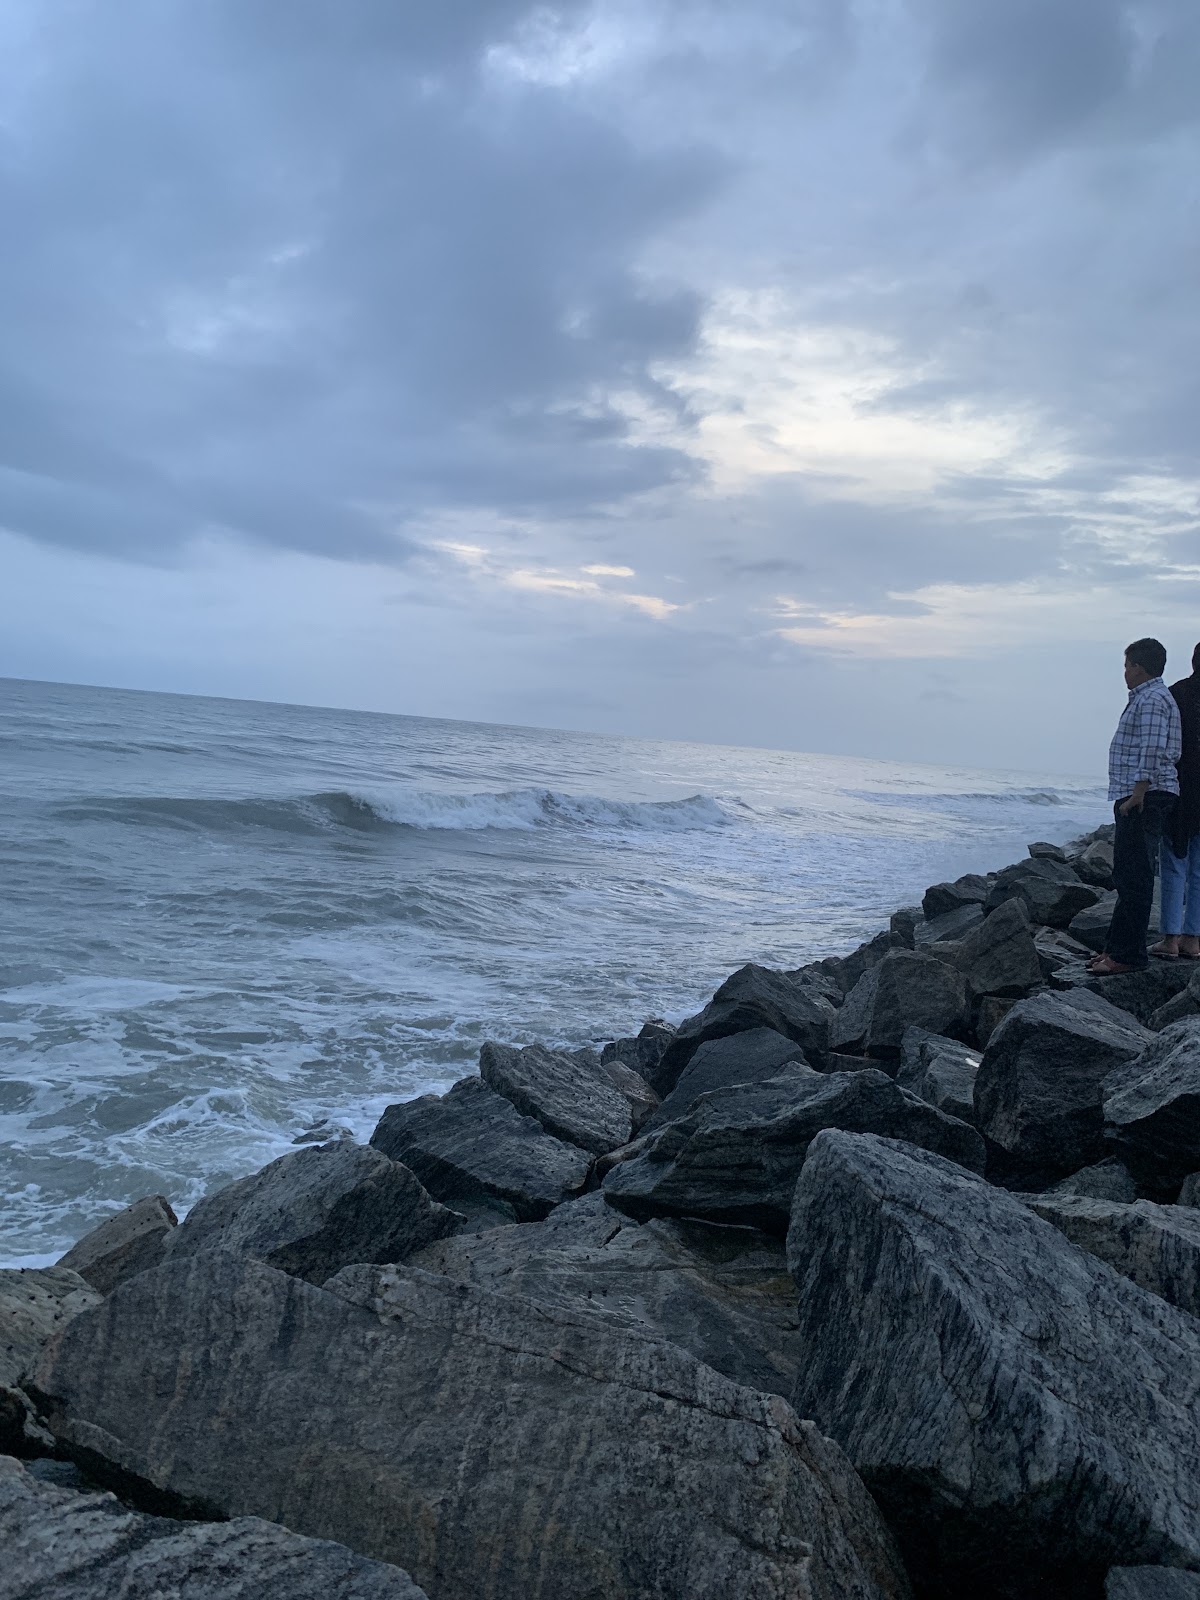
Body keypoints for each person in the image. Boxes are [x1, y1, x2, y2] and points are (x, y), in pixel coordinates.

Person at [1088, 637, 1182, 976]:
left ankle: (1127, 956)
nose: (1124, 672)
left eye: (1127, 665)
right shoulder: (1148, 697)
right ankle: (1115, 949)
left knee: (1136, 876)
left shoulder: (1153, 699)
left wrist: (1138, 794)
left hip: (1145, 795)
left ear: (1138, 667)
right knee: (1127, 875)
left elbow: (1152, 749)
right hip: (1139, 793)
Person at [1152, 641, 1200, 960]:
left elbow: (1164, 747)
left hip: (1182, 791)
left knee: (1173, 863)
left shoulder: (1176, 694)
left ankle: (1170, 938)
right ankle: (1193, 939)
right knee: (1199, 870)